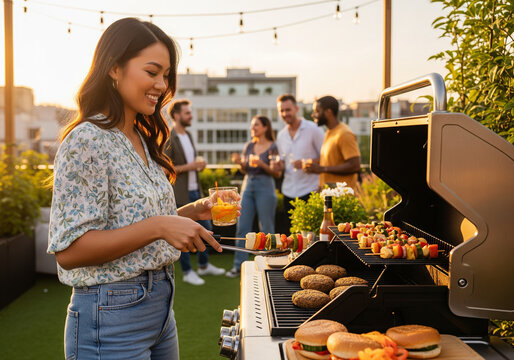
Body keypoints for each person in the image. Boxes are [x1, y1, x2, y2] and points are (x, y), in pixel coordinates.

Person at [47, 18, 230, 360]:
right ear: (114, 68)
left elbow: (136, 224)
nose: (162, 84)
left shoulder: (142, 138)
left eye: (166, 75)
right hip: (111, 316)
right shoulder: (87, 139)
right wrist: (160, 226)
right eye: (152, 72)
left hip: (160, 308)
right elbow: (69, 251)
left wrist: (193, 211)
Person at [165, 99, 226, 285]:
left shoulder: (188, 135)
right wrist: (190, 166)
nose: (190, 116)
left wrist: (197, 167)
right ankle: (188, 271)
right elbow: (166, 167)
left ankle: (204, 265)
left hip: (195, 190)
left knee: (206, 227)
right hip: (180, 193)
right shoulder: (170, 136)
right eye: (187, 113)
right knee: (183, 231)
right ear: (176, 115)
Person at [226, 115, 282, 277]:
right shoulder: (249, 145)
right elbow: (245, 169)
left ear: (265, 127)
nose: (253, 128)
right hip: (248, 185)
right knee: (242, 227)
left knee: (267, 228)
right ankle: (238, 266)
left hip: (266, 186)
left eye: (256, 125)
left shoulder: (273, 147)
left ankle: (268, 263)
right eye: (252, 125)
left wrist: (261, 164)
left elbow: (277, 173)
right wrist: (240, 163)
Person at [274, 94, 325, 232]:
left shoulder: (313, 129)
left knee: (311, 235)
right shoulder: (281, 135)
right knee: (293, 236)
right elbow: (285, 164)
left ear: (296, 109)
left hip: (310, 190)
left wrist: (305, 162)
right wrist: (279, 166)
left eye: (288, 109)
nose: (285, 114)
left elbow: (326, 157)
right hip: (288, 192)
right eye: (282, 111)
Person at [306, 95, 361, 190]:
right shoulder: (329, 132)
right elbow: (333, 160)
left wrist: (322, 169)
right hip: (329, 195)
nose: (313, 115)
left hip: (342, 198)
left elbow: (355, 165)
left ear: (328, 112)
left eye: (317, 111)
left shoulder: (344, 133)